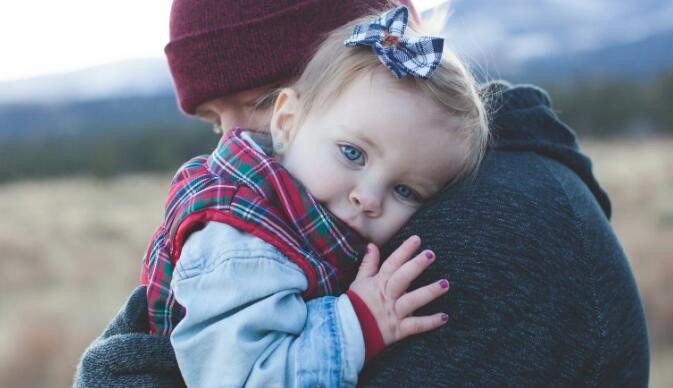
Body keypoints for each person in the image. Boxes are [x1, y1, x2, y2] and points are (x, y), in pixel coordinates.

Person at [75, 1, 650, 387]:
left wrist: (120, 365)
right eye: (211, 122)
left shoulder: (489, 232)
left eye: (259, 99)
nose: (232, 147)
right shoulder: (287, 218)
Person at [139, 6, 488, 386]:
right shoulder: (238, 237)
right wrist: (358, 324)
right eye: (214, 121)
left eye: (260, 101)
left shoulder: (462, 185)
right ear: (288, 119)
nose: (231, 137)